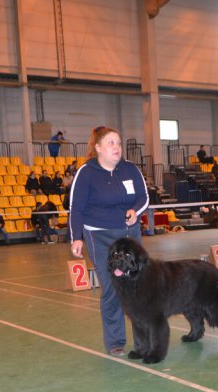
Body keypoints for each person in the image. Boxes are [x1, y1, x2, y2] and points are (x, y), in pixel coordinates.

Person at [69, 126, 149, 356]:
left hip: (129, 235)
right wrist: (76, 237)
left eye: (119, 143)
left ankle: (143, 340)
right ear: (98, 148)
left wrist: (135, 210)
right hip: (100, 237)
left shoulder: (131, 170)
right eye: (111, 143)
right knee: (113, 289)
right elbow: (76, 208)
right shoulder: (86, 173)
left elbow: (144, 197)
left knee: (138, 288)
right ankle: (115, 341)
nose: (117, 147)